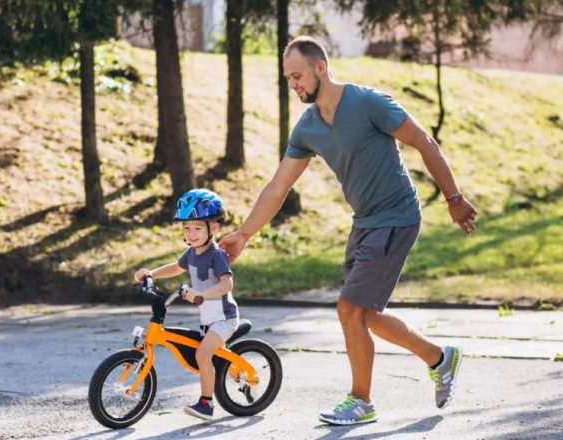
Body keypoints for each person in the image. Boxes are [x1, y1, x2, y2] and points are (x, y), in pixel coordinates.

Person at [218, 36, 478, 425]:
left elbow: (424, 142)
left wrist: (454, 199)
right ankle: (439, 358)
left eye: (298, 76)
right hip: (365, 222)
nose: (294, 85)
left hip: (397, 216)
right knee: (365, 315)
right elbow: (278, 187)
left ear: (321, 67)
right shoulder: (307, 128)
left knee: (349, 309)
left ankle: (361, 401)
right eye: (288, 79)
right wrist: (244, 234)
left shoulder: (369, 103)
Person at [135, 189, 238, 421]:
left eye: (197, 228)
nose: (191, 234)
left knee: (202, 355)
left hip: (225, 318)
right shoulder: (192, 253)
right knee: (201, 352)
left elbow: (227, 284)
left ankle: (207, 404)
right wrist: (151, 273)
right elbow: (175, 267)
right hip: (208, 320)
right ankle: (217, 379)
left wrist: (202, 293)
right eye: (186, 228)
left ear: (214, 228)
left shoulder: (216, 255)